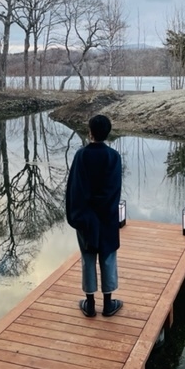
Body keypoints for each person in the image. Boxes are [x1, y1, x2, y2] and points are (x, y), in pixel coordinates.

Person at [65, 114, 123, 317]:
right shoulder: (113, 157)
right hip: (107, 217)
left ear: (90, 132)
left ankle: (89, 304)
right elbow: (114, 190)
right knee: (108, 257)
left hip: (85, 218)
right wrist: (106, 210)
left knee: (88, 257)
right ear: (108, 133)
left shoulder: (81, 156)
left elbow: (74, 189)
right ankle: (108, 303)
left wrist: (78, 216)